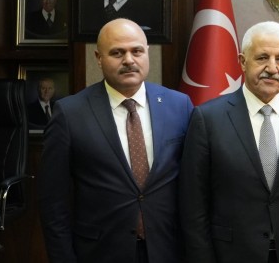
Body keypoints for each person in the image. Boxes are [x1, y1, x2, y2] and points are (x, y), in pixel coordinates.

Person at [39, 18, 194, 263]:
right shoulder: (70, 114)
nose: (129, 60)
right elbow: (53, 203)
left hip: (167, 249)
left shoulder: (179, 105)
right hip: (100, 251)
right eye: (117, 53)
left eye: (137, 51)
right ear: (99, 58)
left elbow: (194, 187)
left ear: (147, 53)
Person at [180, 21, 279, 262]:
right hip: (232, 254)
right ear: (242, 61)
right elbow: (193, 205)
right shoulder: (207, 119)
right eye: (262, 58)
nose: (272, 68)